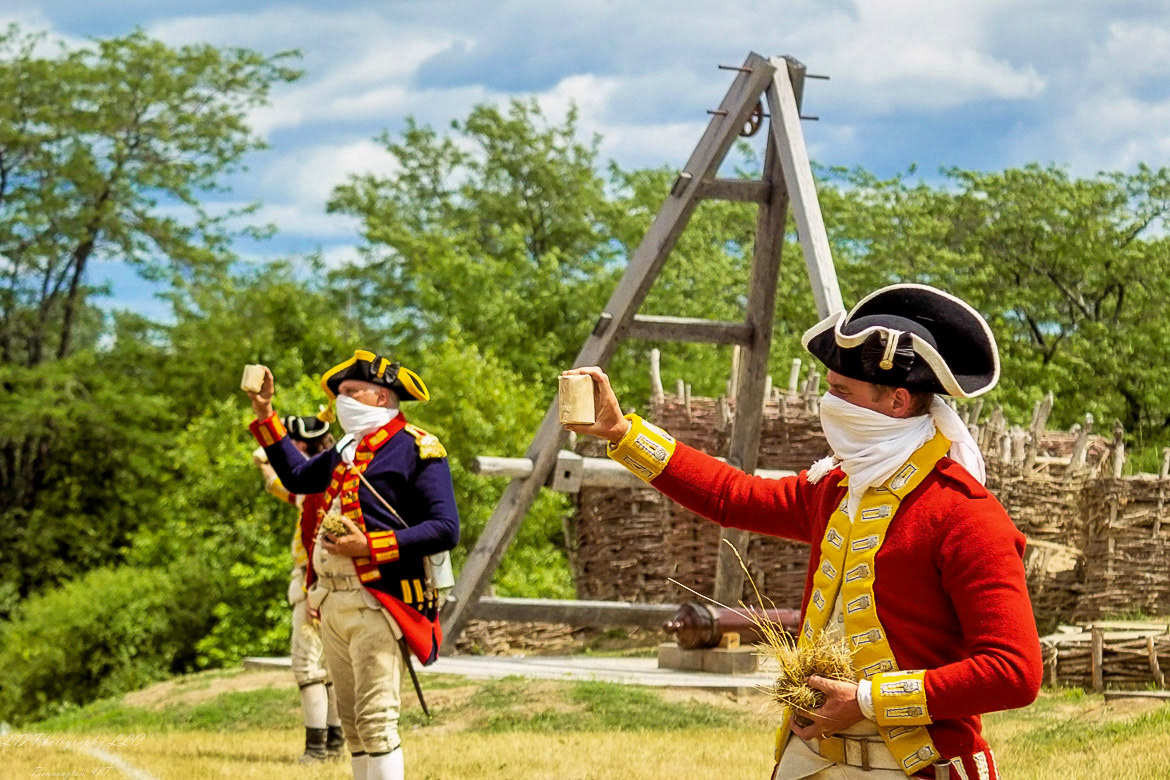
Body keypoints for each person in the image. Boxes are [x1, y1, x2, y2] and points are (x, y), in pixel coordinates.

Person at [563, 284, 1042, 780]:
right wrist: (623, 434)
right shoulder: (835, 487)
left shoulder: (968, 515)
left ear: (898, 401)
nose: (828, 403)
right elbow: (731, 497)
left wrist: (866, 701)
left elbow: (1014, 671)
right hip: (809, 761)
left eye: (842, 392)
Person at [244, 350, 459, 780]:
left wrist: (369, 546)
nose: (340, 400)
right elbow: (298, 477)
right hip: (333, 602)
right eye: (340, 393)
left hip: (380, 600)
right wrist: (266, 414)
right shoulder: (346, 448)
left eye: (351, 391)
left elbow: (445, 528)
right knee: (353, 725)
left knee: (377, 722)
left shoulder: (417, 447)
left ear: (381, 397)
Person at [252, 413, 345, 762]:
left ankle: (316, 750)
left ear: (301, 445)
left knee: (308, 668)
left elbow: (275, 473)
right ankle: (334, 744)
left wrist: (266, 457)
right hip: (335, 581)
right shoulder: (334, 479)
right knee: (332, 668)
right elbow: (276, 481)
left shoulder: (314, 485)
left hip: (314, 580)